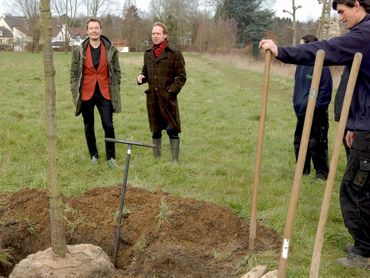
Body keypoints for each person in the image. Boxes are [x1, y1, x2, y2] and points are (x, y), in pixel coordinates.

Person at [260, 0, 370, 270]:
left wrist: (282, 51)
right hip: (364, 123)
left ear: (357, 4)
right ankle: (364, 243)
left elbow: (327, 49)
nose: (341, 19)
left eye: (342, 12)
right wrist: (355, 125)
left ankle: (365, 250)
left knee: (356, 187)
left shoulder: (365, 34)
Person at [70, 18, 121, 169]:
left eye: (96, 28)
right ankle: (94, 155)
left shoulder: (110, 48)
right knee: (88, 126)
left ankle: (111, 157)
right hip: (86, 93)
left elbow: (117, 71)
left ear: (101, 30)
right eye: (91, 28)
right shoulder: (79, 50)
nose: (94, 30)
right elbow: (73, 73)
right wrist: (75, 90)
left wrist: (115, 87)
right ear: (87, 31)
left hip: (105, 93)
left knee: (108, 125)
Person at [137, 22, 186, 162]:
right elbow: (145, 73)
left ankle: (175, 161)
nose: (155, 36)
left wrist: (171, 91)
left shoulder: (174, 53)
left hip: (168, 99)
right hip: (153, 98)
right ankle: (156, 159)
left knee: (172, 130)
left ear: (165, 35)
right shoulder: (147, 54)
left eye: (158, 33)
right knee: (156, 130)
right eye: (153, 33)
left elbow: (182, 77)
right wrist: (141, 78)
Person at [292, 34, 332, 180]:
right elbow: (298, 86)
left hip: (316, 113)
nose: (299, 47)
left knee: (317, 143)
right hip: (301, 111)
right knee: (299, 140)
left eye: (302, 45)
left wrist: (315, 108)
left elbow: (326, 90)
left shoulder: (321, 65)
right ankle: (302, 169)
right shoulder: (300, 64)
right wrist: (297, 102)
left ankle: (321, 173)